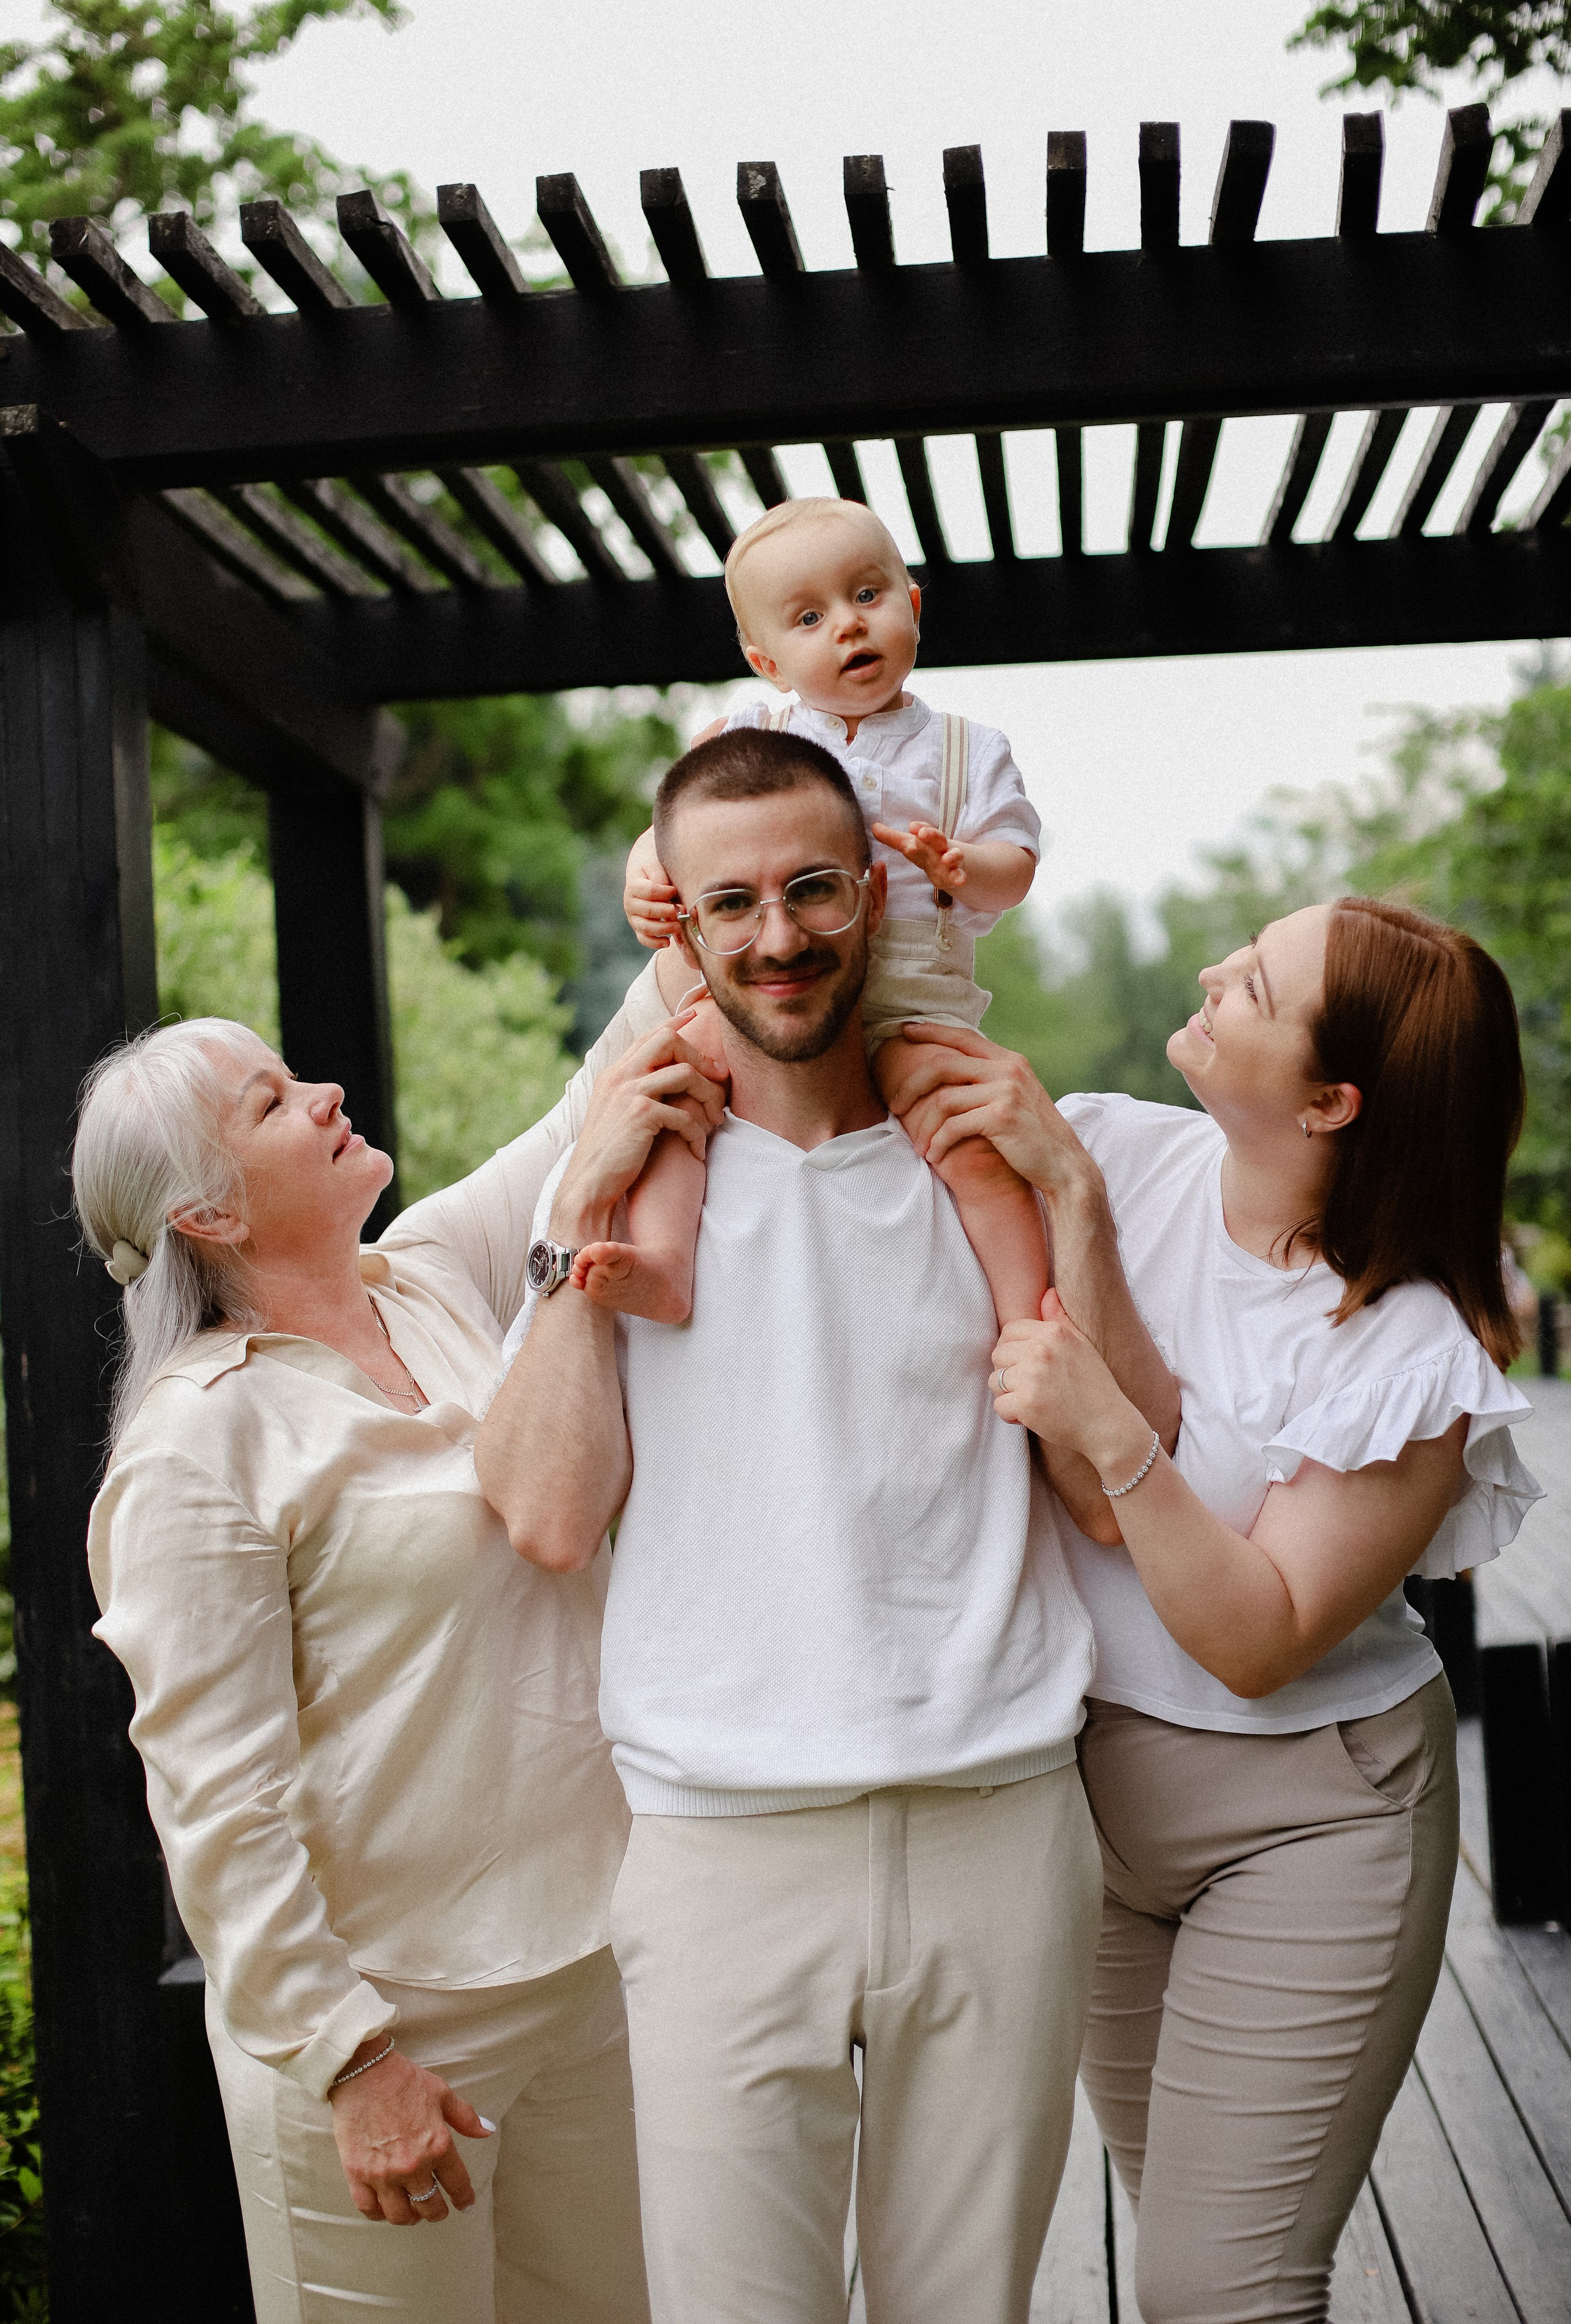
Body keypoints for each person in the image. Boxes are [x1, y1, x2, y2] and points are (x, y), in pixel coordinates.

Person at [474, 731, 1179, 2324]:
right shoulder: (630, 1171)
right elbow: (545, 1513)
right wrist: (581, 1220)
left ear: (872, 891)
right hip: (722, 1849)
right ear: (683, 925)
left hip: (998, 1825)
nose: (778, 937)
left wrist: (1071, 1195)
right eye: (735, 904)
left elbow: (1112, 1489)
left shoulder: (981, 1152)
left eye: (810, 889)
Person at [892, 897, 1541, 2324]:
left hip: (1309, 1817)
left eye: (1250, 982)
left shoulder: (1405, 1348)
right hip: (1094, 1811)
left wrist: (1110, 1435)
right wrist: (1067, 1202)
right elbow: (1085, 1513)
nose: (1208, 974)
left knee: (1215, 2289)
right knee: (1178, 2231)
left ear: (1328, 1099)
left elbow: (1250, 1635)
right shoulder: (1112, 1153)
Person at [75, 1016, 676, 2324]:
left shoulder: (432, 1281)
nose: (326, 1092)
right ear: (209, 1212)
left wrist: (670, 892)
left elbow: (594, 1102)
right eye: (272, 1101)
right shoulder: (198, 1446)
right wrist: (352, 2065)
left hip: (592, 1964)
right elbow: (215, 1806)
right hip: (392, 2026)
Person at [598, 494, 1048, 1327]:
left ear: (912, 606)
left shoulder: (965, 749)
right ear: (767, 662)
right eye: (811, 616)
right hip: (774, 998)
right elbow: (670, 824)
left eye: (868, 597)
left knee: (971, 1134)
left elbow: (1015, 870)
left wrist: (960, 866)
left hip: (910, 999)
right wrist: (643, 874)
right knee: (676, 1078)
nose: (849, 626)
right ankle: (663, 1260)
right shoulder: (750, 732)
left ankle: (1030, 1316)